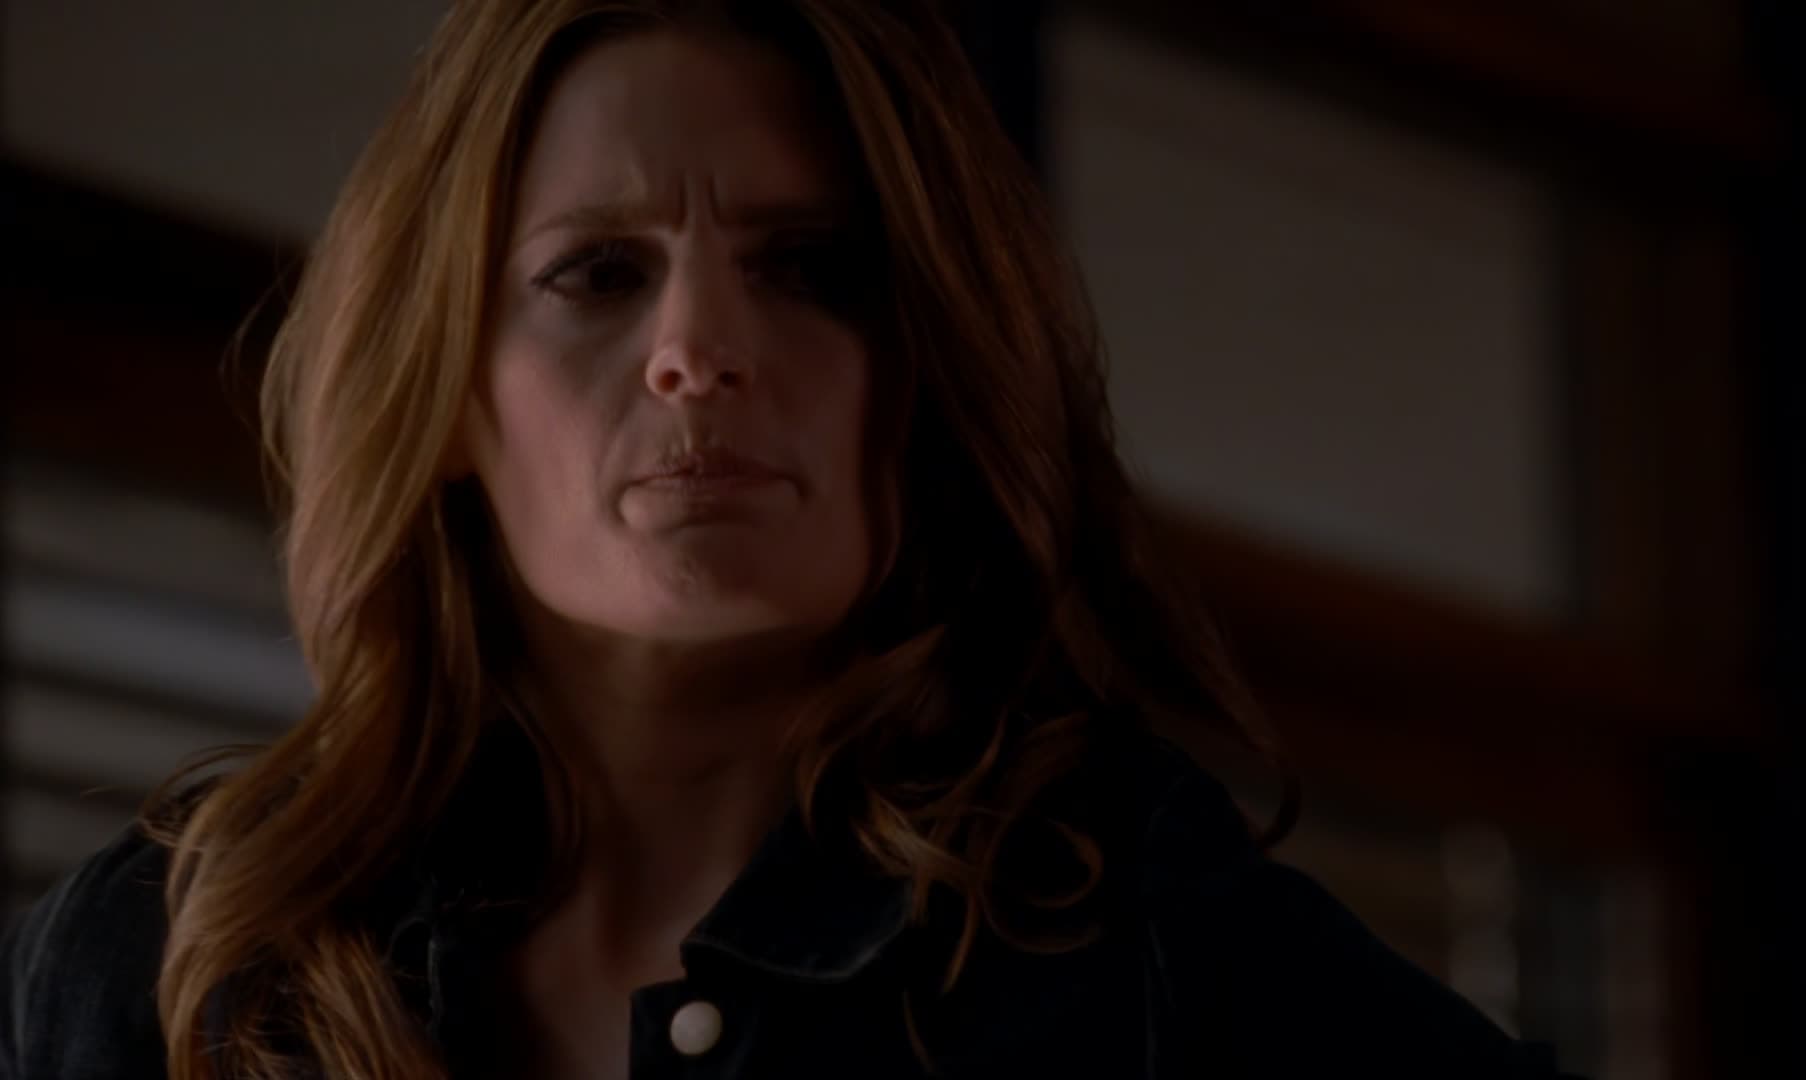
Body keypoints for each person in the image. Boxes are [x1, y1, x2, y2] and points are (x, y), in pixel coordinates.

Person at [0, 1, 1575, 1077]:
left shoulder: (1140, 950)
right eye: (598, 274)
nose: (698, 349)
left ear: (928, 376)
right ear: (452, 392)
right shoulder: (157, 961)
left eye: (812, 269)